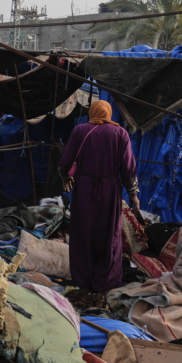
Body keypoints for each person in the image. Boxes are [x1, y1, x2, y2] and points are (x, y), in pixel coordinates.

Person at [59, 100, 139, 293]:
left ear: (92, 112)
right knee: (108, 233)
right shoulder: (120, 134)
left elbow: (66, 161)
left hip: (83, 188)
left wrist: (64, 177)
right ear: (109, 113)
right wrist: (133, 194)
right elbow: (128, 167)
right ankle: (105, 280)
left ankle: (83, 279)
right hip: (110, 189)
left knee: (83, 233)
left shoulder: (80, 131)